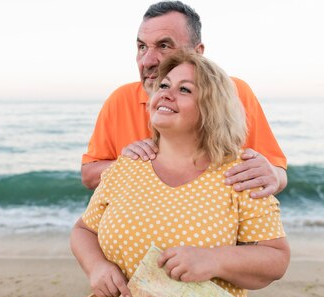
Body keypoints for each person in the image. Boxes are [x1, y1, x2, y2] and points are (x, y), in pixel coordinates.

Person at [65, 51, 290, 297]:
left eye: (184, 89)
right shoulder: (126, 166)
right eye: (163, 86)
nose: (166, 94)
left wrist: (213, 260)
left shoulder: (240, 172)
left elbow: (276, 258)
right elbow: (84, 230)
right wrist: (96, 267)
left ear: (212, 107)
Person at [81, 1, 287, 200]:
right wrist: (127, 164)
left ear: (197, 53)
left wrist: (273, 177)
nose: (147, 61)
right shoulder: (120, 99)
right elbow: (89, 175)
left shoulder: (234, 93)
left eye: (163, 46)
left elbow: (276, 172)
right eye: (142, 47)